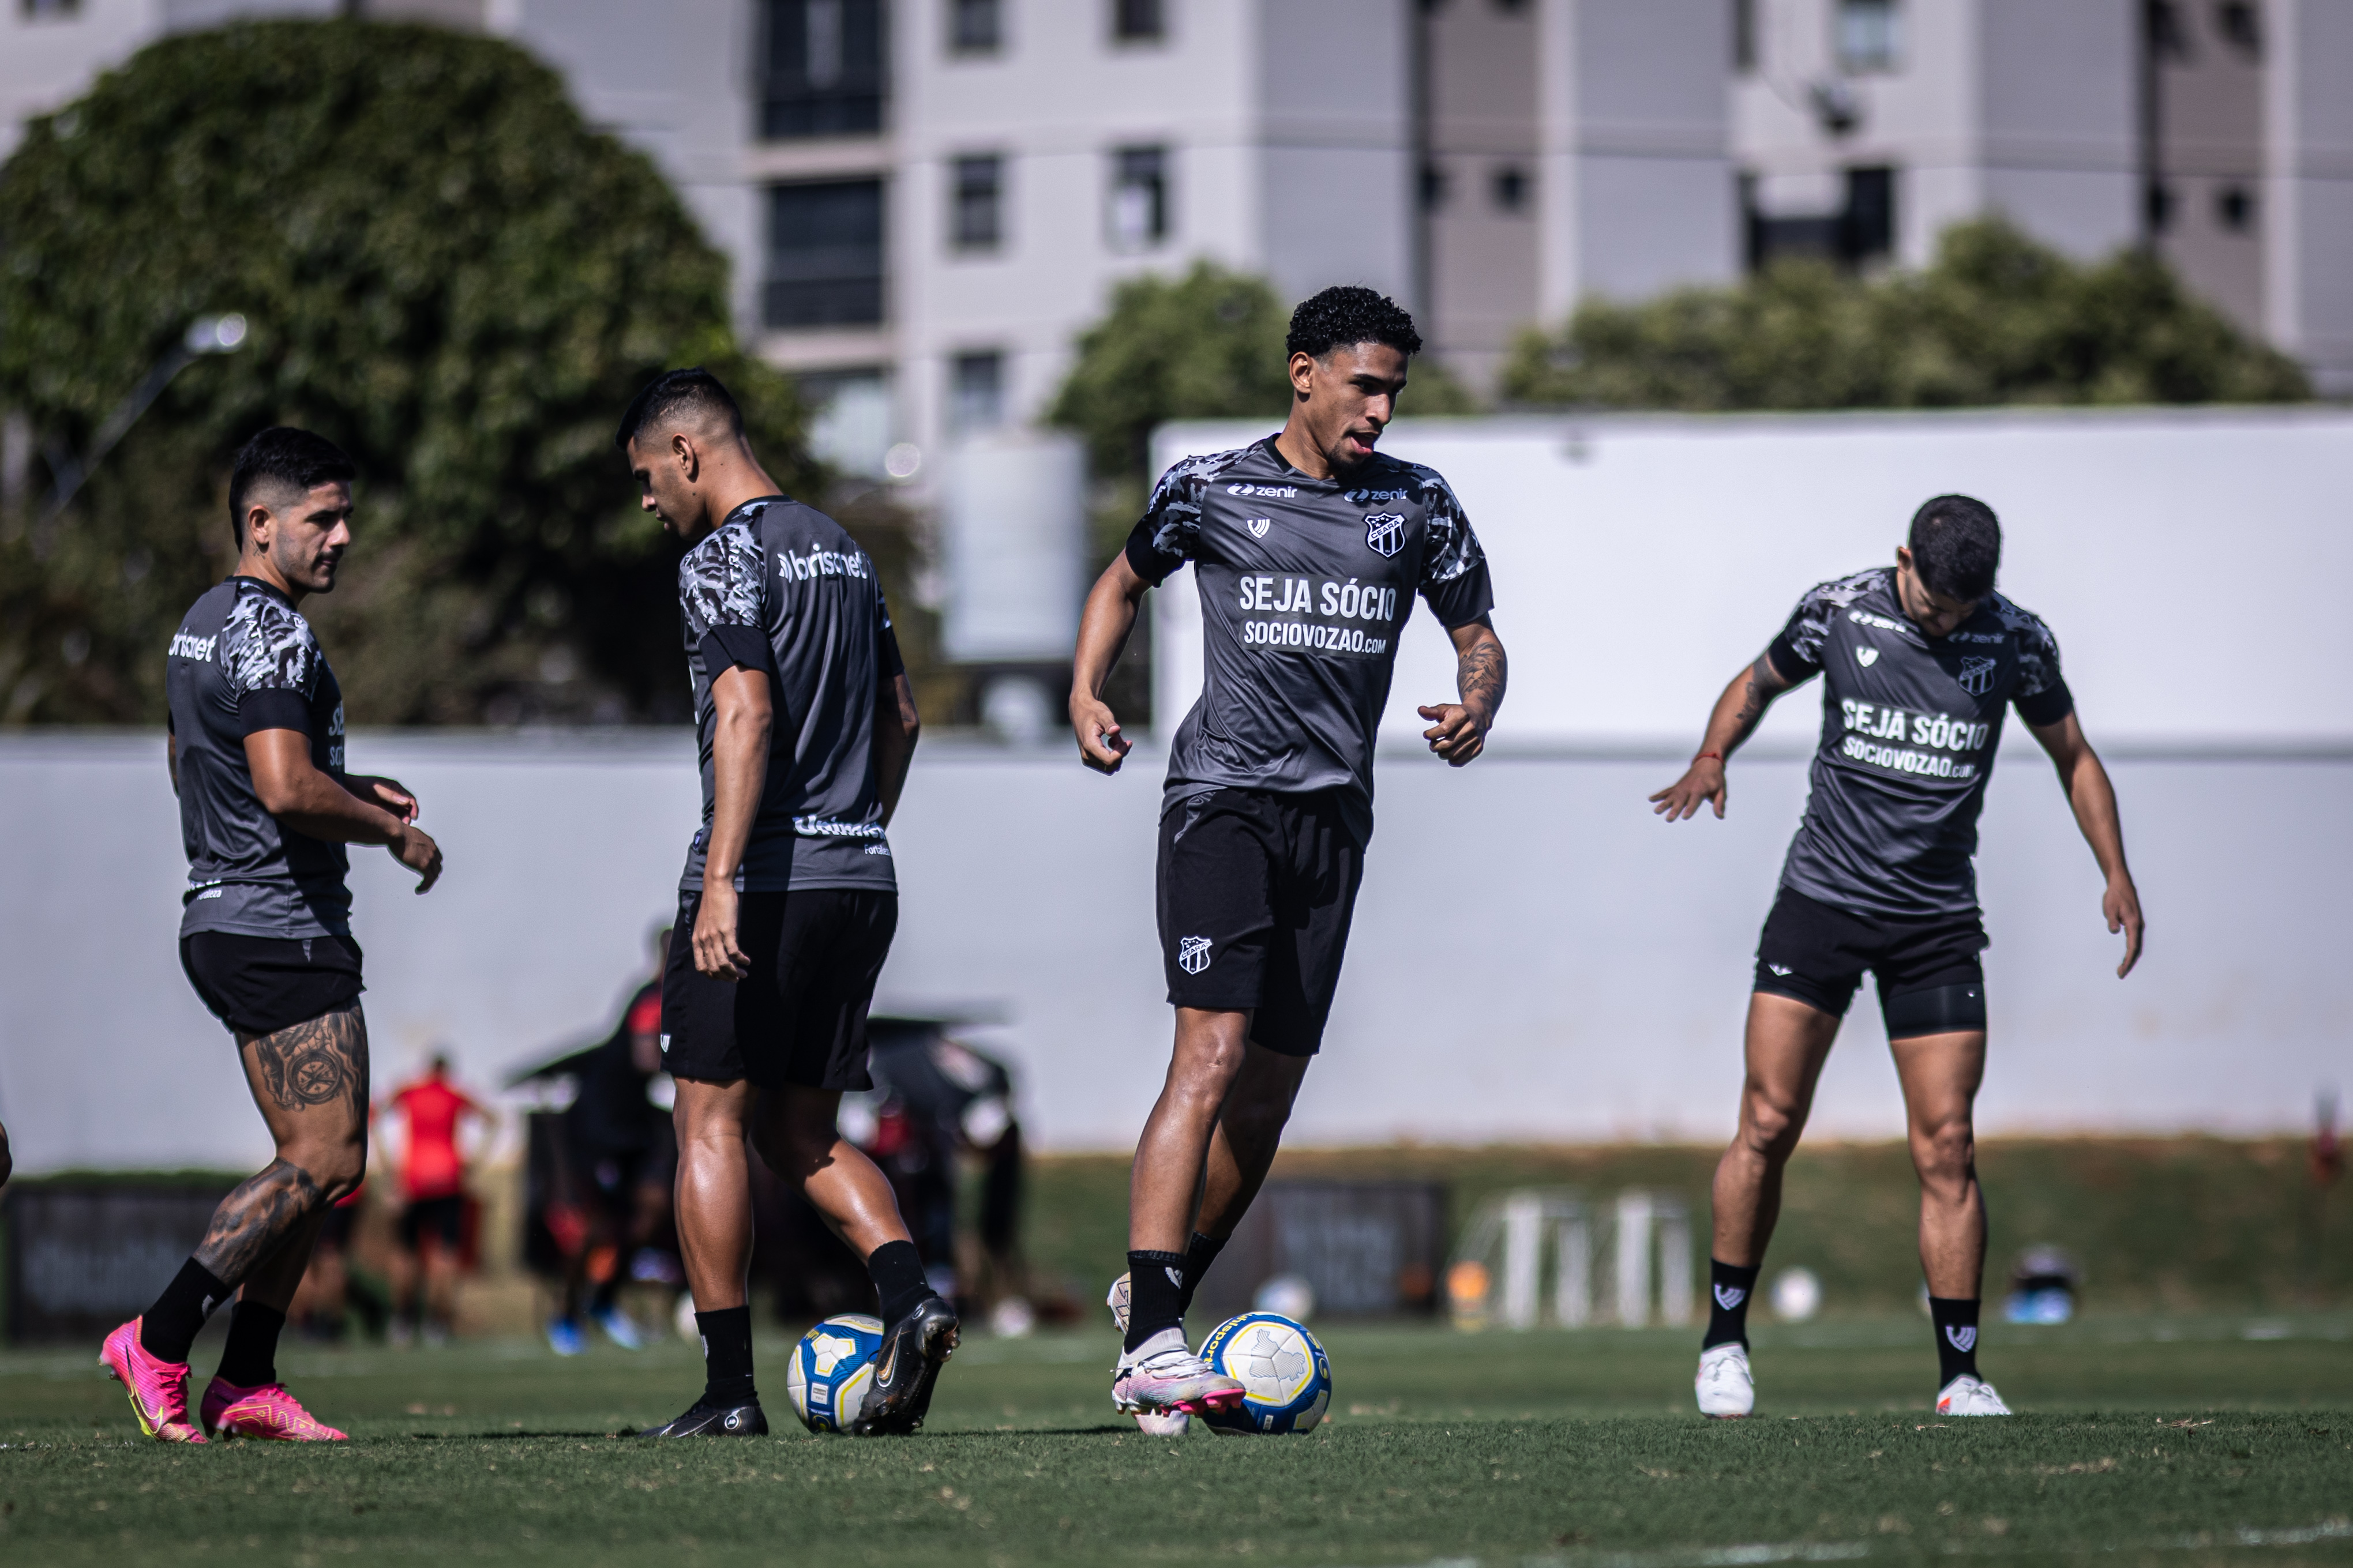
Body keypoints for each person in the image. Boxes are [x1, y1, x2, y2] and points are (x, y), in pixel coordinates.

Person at [1068, 286, 1505, 1427]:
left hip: (1332, 823)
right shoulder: (1210, 487)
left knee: (1264, 1097)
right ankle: (1154, 1345)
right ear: (1301, 372)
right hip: (1221, 805)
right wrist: (1083, 690)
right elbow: (1120, 581)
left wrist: (1476, 700)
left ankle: (1153, 1294)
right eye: (1363, 385)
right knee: (1205, 1061)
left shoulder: (1416, 504)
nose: (1379, 411)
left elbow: (1477, 634)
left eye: (1393, 392)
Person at [1649, 494, 2144, 1420]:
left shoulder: (2014, 640)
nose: (1947, 621)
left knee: (1947, 1143)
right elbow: (1755, 681)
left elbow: (2072, 754)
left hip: (1934, 922)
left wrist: (2113, 870)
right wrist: (1712, 752)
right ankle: (1723, 1344)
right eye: (1933, 604)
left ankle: (1960, 1374)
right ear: (1902, 558)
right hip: (1821, 906)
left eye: (1963, 607)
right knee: (1766, 1119)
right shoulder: (1839, 610)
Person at [616, 368, 948, 1438]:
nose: (645, 502)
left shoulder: (721, 557)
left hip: (762, 878)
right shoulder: (845, 550)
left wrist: (720, 877)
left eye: (644, 477)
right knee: (803, 1129)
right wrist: (858, 825)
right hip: (861, 874)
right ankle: (910, 1295)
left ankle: (726, 1392)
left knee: (708, 1120)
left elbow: (745, 712)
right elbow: (901, 716)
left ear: (685, 451)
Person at [104, 427, 444, 1444]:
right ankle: (160, 1338)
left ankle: (245, 1377)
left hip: (224, 909)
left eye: (343, 516)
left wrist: (345, 788)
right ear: (262, 523)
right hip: (276, 924)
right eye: (322, 519)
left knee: (316, 1163)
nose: (341, 536)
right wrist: (392, 830)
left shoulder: (201, 623)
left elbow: (190, 758)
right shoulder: (278, 635)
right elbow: (284, 785)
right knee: (329, 1155)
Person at [543, 927, 681, 1353]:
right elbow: (646, 1057)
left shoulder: (678, 995)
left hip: (634, 1123)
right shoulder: (652, 997)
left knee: (650, 1210)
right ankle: (565, 1315)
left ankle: (603, 1301)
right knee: (598, 1227)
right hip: (600, 1122)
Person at [378, 1054, 494, 1347]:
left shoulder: (409, 1090)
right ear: (447, 1071)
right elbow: (493, 1120)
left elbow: (373, 1117)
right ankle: (437, 1323)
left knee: (406, 1256)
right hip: (449, 1180)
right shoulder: (454, 1093)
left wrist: (389, 1171)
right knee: (446, 1256)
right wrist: (474, 1165)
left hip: (412, 1181)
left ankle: (403, 1319)